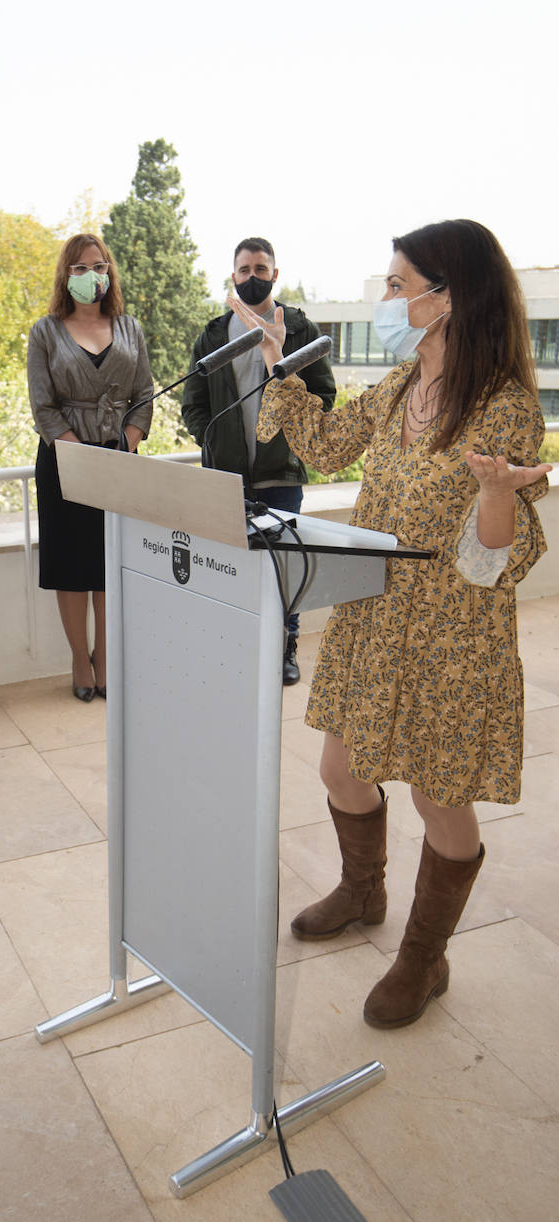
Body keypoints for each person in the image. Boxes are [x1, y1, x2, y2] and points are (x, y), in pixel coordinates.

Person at [252, 218, 550, 1029]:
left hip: (453, 638)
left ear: (445, 297)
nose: (386, 298)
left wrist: (495, 493)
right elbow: (323, 443)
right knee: (341, 772)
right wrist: (279, 362)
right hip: (374, 619)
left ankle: (425, 958)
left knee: (437, 796)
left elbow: (497, 559)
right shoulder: (396, 388)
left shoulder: (505, 409)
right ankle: (362, 889)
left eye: (396, 284)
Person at [182, 237, 336, 686]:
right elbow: (194, 403)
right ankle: (234, 644)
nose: (253, 277)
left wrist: (293, 440)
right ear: (233, 276)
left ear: (275, 274)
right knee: (229, 566)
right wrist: (211, 442)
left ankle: (285, 647)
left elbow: (323, 397)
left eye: (261, 268)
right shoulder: (212, 335)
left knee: (283, 567)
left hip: (280, 475)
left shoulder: (301, 328)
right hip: (225, 478)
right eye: (245, 269)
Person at [27, 233, 154, 701]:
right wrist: (78, 453)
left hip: (120, 462)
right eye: (79, 268)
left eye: (98, 266)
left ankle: (105, 656)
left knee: (110, 564)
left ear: (109, 272)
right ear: (66, 275)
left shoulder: (129, 327)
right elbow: (42, 407)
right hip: (63, 462)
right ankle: (80, 660)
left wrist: (125, 446)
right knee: (71, 567)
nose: (90, 275)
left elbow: (144, 397)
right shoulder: (45, 331)